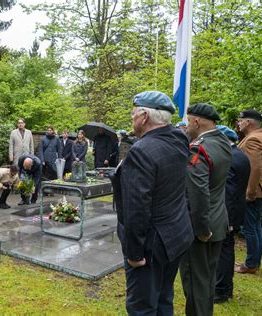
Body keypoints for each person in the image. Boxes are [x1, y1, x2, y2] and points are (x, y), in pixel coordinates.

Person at [111, 91, 193, 315]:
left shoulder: (141, 151)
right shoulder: (179, 139)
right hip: (176, 235)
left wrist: (135, 253)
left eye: (133, 114)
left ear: (144, 116)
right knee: (164, 299)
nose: (132, 119)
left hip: (152, 246)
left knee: (142, 307)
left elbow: (136, 209)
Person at [180, 103, 232, 316]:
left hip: (201, 227)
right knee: (207, 280)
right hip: (218, 221)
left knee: (195, 283)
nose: (186, 126)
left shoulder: (199, 148)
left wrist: (200, 229)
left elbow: (198, 192)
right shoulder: (223, 142)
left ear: (197, 121)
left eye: (188, 121)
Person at [214, 125, 250, 303]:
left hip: (228, 213)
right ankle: (224, 288)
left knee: (223, 251)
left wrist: (225, 219)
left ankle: (221, 290)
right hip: (236, 210)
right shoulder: (240, 155)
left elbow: (227, 191)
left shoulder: (228, 158)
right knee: (226, 249)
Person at [235, 109, 262, 274]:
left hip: (252, 189)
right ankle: (254, 261)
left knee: (250, 227)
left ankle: (250, 264)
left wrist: (249, 192)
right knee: (255, 226)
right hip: (260, 188)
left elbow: (254, 168)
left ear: (248, 122)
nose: (239, 123)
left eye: (240, 121)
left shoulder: (253, 139)